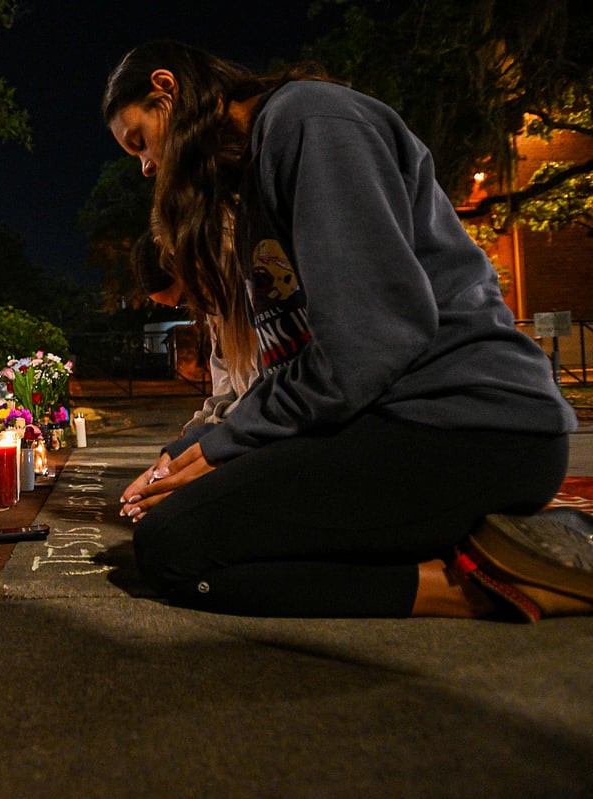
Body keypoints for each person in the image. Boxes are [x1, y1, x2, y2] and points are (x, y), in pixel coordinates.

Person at [104, 40, 590, 620]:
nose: (146, 166)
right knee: (169, 515)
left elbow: (369, 344)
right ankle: (464, 543)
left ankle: (481, 586)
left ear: (167, 89)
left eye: (140, 141)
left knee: (177, 550)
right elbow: (296, 366)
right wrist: (184, 453)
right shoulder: (252, 176)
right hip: (389, 416)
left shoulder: (310, 121)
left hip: (469, 424)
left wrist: (227, 444)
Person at [131, 232, 257, 459]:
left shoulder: (249, 299)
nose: (191, 307)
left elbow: (261, 395)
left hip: (259, 436)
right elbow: (225, 385)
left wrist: (209, 427)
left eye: (183, 300)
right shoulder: (215, 314)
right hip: (239, 431)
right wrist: (200, 423)